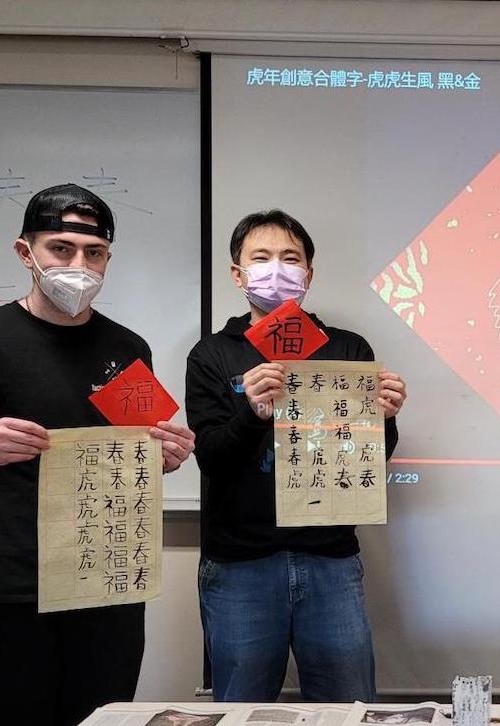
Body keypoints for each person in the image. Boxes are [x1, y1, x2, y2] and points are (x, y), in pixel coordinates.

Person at [0, 183, 197, 726]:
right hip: (8, 591)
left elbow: (136, 453)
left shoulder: (127, 348)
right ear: (25, 252)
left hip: (106, 583)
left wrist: (166, 454)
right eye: (61, 248)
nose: (79, 265)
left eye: (94, 253)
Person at [186, 209, 407, 702]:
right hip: (240, 563)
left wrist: (386, 417)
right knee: (241, 706)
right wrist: (253, 411)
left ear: (308, 273)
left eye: (291, 258)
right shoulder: (213, 355)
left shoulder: (347, 349)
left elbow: (371, 461)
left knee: (347, 706)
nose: (277, 269)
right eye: (261, 258)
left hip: (330, 558)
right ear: (236, 273)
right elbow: (212, 459)